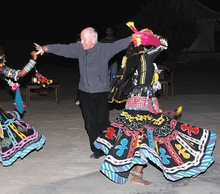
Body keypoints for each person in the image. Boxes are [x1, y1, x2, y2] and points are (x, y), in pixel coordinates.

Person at [94, 22, 217, 186]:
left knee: (138, 138)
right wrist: (150, 36)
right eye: (149, 36)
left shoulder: (131, 57)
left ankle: (131, 171)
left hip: (136, 101)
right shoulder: (146, 55)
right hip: (143, 103)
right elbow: (163, 43)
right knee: (144, 138)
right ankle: (133, 173)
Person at [35, 27, 148, 159]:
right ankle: (97, 149)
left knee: (102, 122)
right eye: (81, 38)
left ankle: (111, 145)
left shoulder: (104, 49)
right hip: (85, 93)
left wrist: (137, 35)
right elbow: (63, 49)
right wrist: (46, 48)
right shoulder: (79, 49)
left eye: (84, 39)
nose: (81, 41)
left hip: (101, 93)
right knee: (90, 123)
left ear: (93, 39)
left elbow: (121, 44)